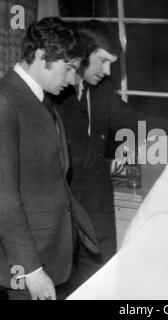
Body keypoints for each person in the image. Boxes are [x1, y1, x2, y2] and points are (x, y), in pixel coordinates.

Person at [0, 17, 99, 300]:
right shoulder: (5, 101)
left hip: (52, 251)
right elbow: (4, 196)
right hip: (25, 263)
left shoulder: (39, 99)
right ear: (41, 56)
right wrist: (31, 270)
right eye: (67, 68)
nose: (71, 80)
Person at [52, 20, 145, 291]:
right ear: (81, 54)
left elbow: (133, 120)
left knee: (101, 280)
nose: (107, 71)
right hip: (62, 205)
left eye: (111, 64)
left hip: (96, 205)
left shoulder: (101, 89)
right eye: (102, 61)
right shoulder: (55, 93)